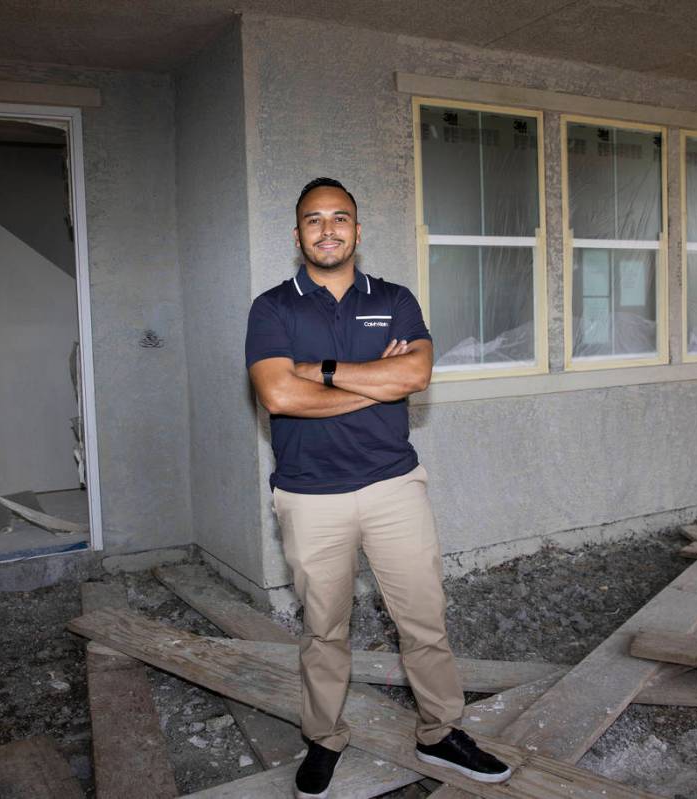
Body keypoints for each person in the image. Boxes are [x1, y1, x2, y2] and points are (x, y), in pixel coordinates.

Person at [245, 177, 512, 798]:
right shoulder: (273, 307)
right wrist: (374, 382)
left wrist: (327, 374)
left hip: (394, 487)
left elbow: (416, 372)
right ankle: (324, 737)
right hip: (310, 496)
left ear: (358, 231)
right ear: (298, 235)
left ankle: (440, 731)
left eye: (341, 218)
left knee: (423, 621)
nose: (328, 229)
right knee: (323, 629)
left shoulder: (392, 297)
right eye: (314, 220)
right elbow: (279, 394)